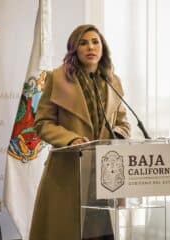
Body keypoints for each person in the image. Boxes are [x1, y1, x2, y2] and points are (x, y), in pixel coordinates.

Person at [29, 24, 130, 240]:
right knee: (69, 232)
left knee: (101, 234)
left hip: (105, 174)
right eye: (83, 43)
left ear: (103, 48)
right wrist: (70, 138)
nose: (90, 47)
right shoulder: (57, 79)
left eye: (95, 42)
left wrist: (117, 136)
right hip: (68, 172)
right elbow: (42, 123)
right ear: (74, 49)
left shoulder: (112, 81)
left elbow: (123, 124)